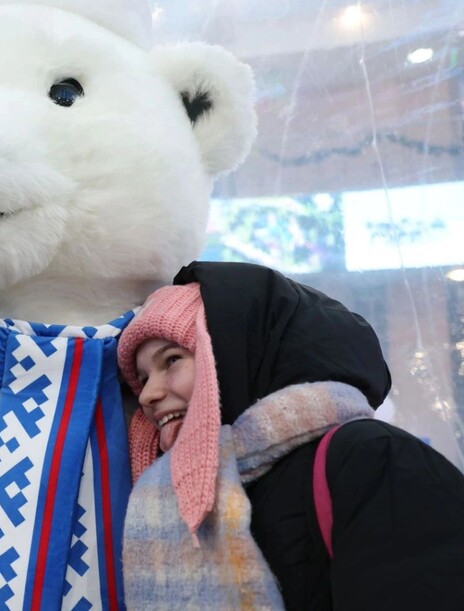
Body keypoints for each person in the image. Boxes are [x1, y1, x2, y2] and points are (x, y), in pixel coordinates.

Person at [115, 261, 464, 610]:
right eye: (142, 378)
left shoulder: (371, 459)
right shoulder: (182, 494)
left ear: (234, 355)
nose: (147, 395)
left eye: (172, 360)